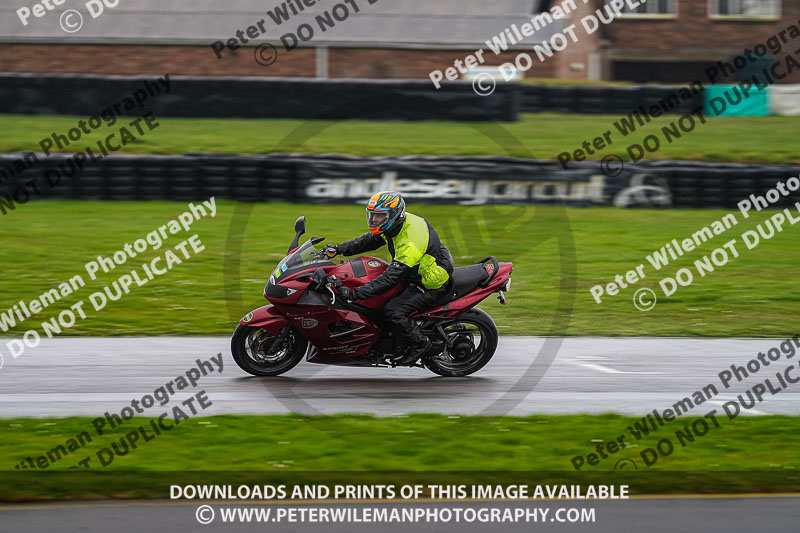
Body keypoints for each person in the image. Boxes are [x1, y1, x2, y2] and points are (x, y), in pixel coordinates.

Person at [322, 191, 453, 365]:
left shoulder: (409, 242)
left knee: (393, 310)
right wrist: (339, 249)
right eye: (373, 215)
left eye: (380, 216)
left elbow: (390, 278)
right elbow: (370, 241)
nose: (375, 220)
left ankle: (420, 343)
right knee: (378, 298)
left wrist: (354, 294)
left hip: (429, 278)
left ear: (394, 215)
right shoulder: (395, 224)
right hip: (417, 266)